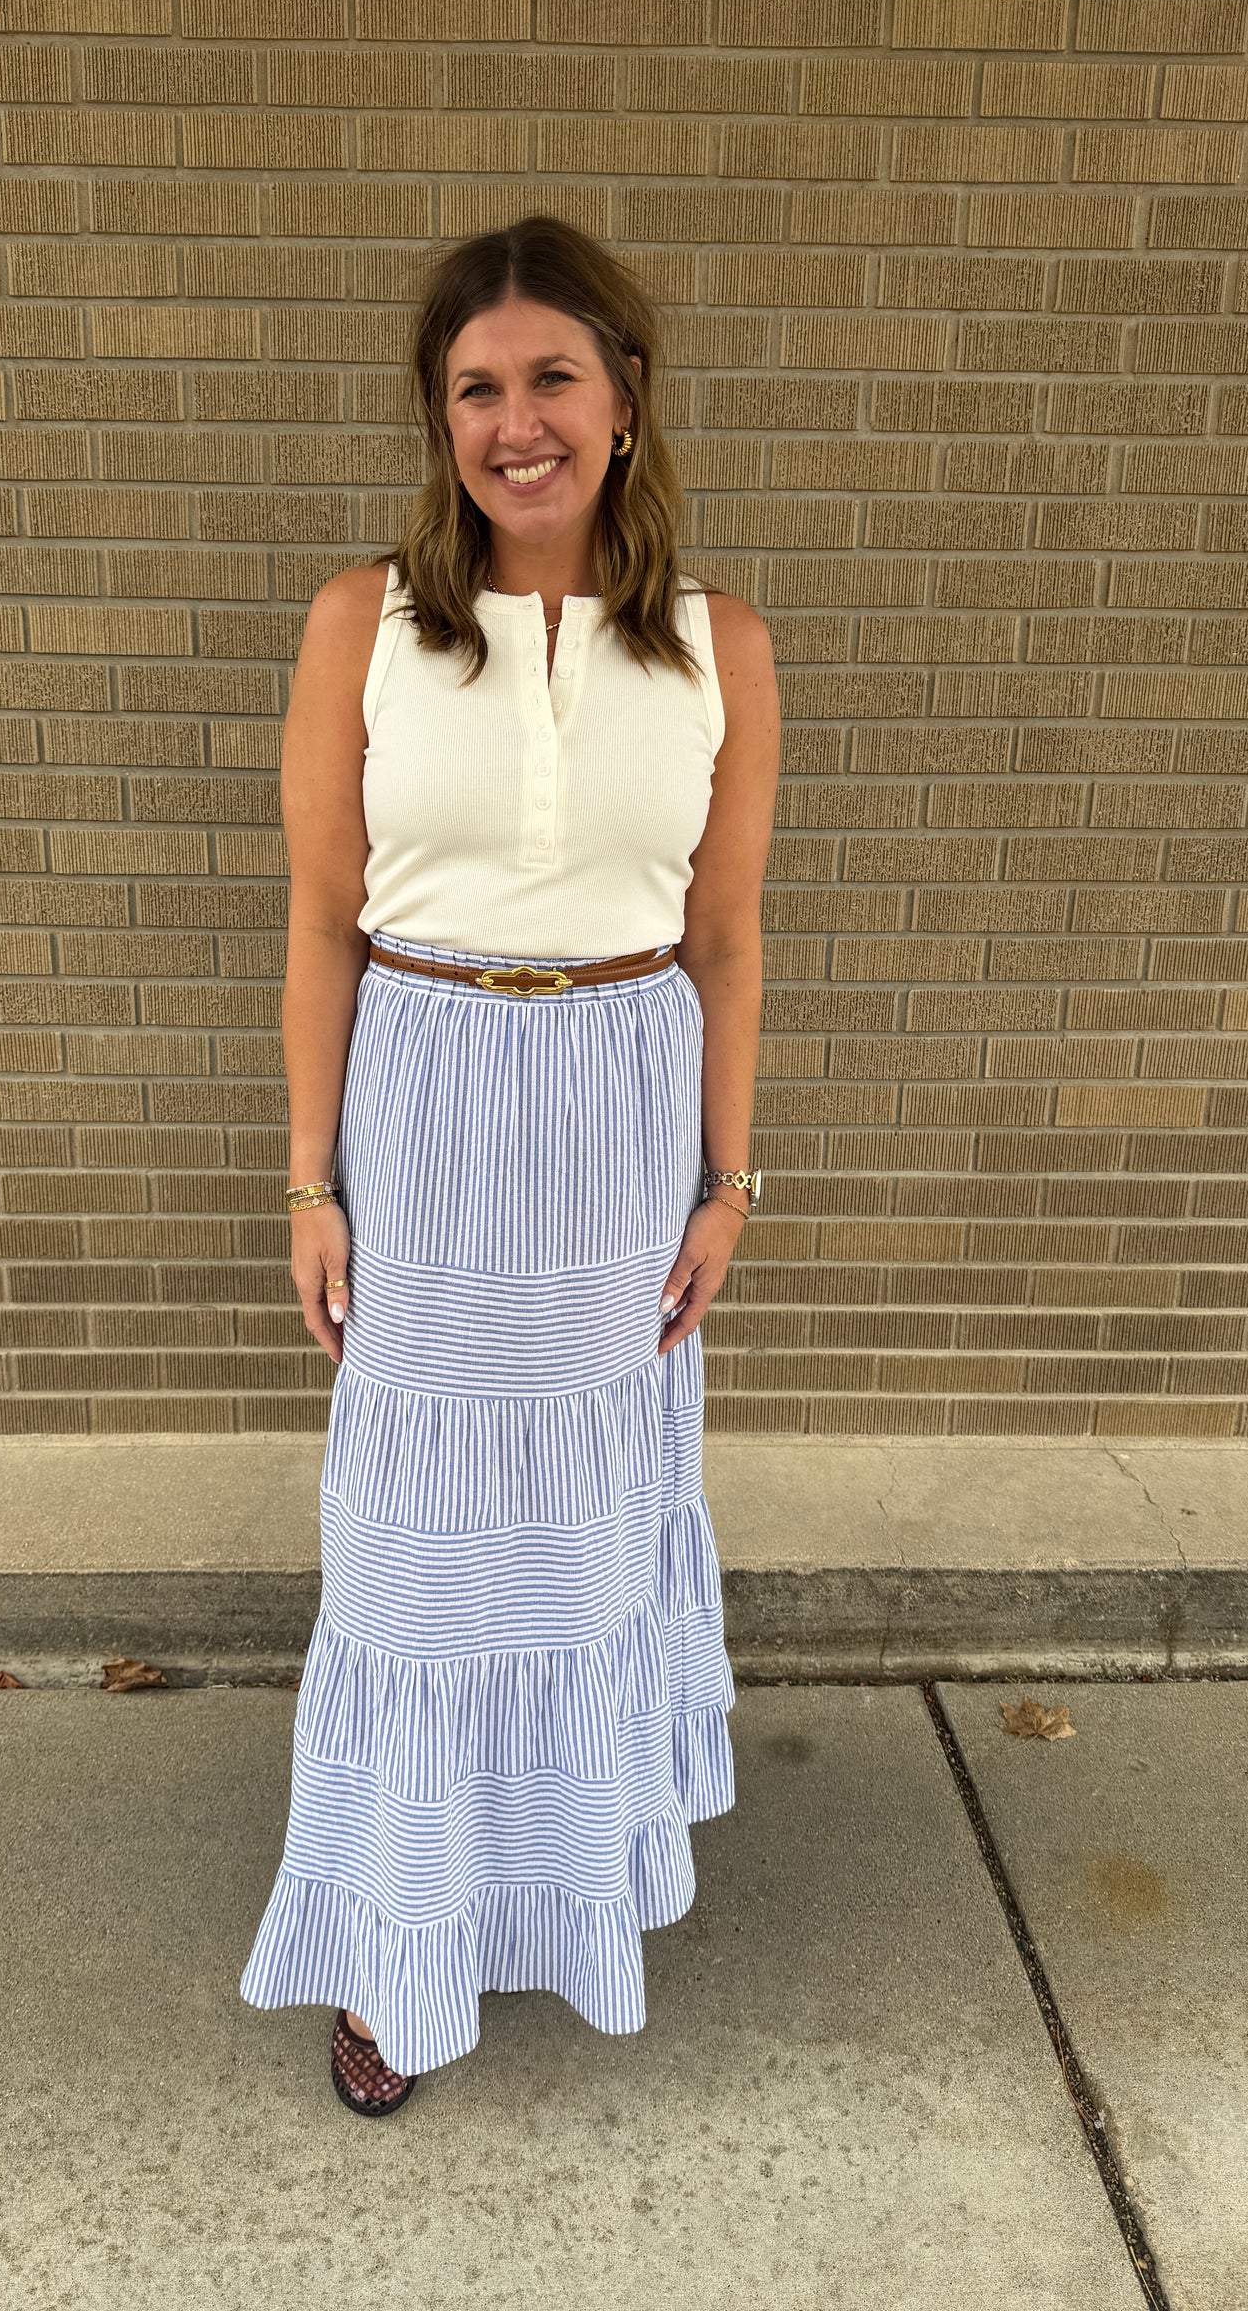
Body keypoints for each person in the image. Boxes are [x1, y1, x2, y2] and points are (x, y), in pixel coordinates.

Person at [239, 215, 781, 2115]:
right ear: (439, 415)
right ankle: (399, 1944)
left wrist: (728, 1186)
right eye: (477, 387)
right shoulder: (365, 624)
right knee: (415, 1565)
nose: (516, 421)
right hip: (427, 1105)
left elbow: (727, 944)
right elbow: (323, 922)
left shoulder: (718, 650)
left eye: (554, 376)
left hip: (623, 1122)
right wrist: (309, 1180)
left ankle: (562, 1893)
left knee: (583, 1539)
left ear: (626, 399)